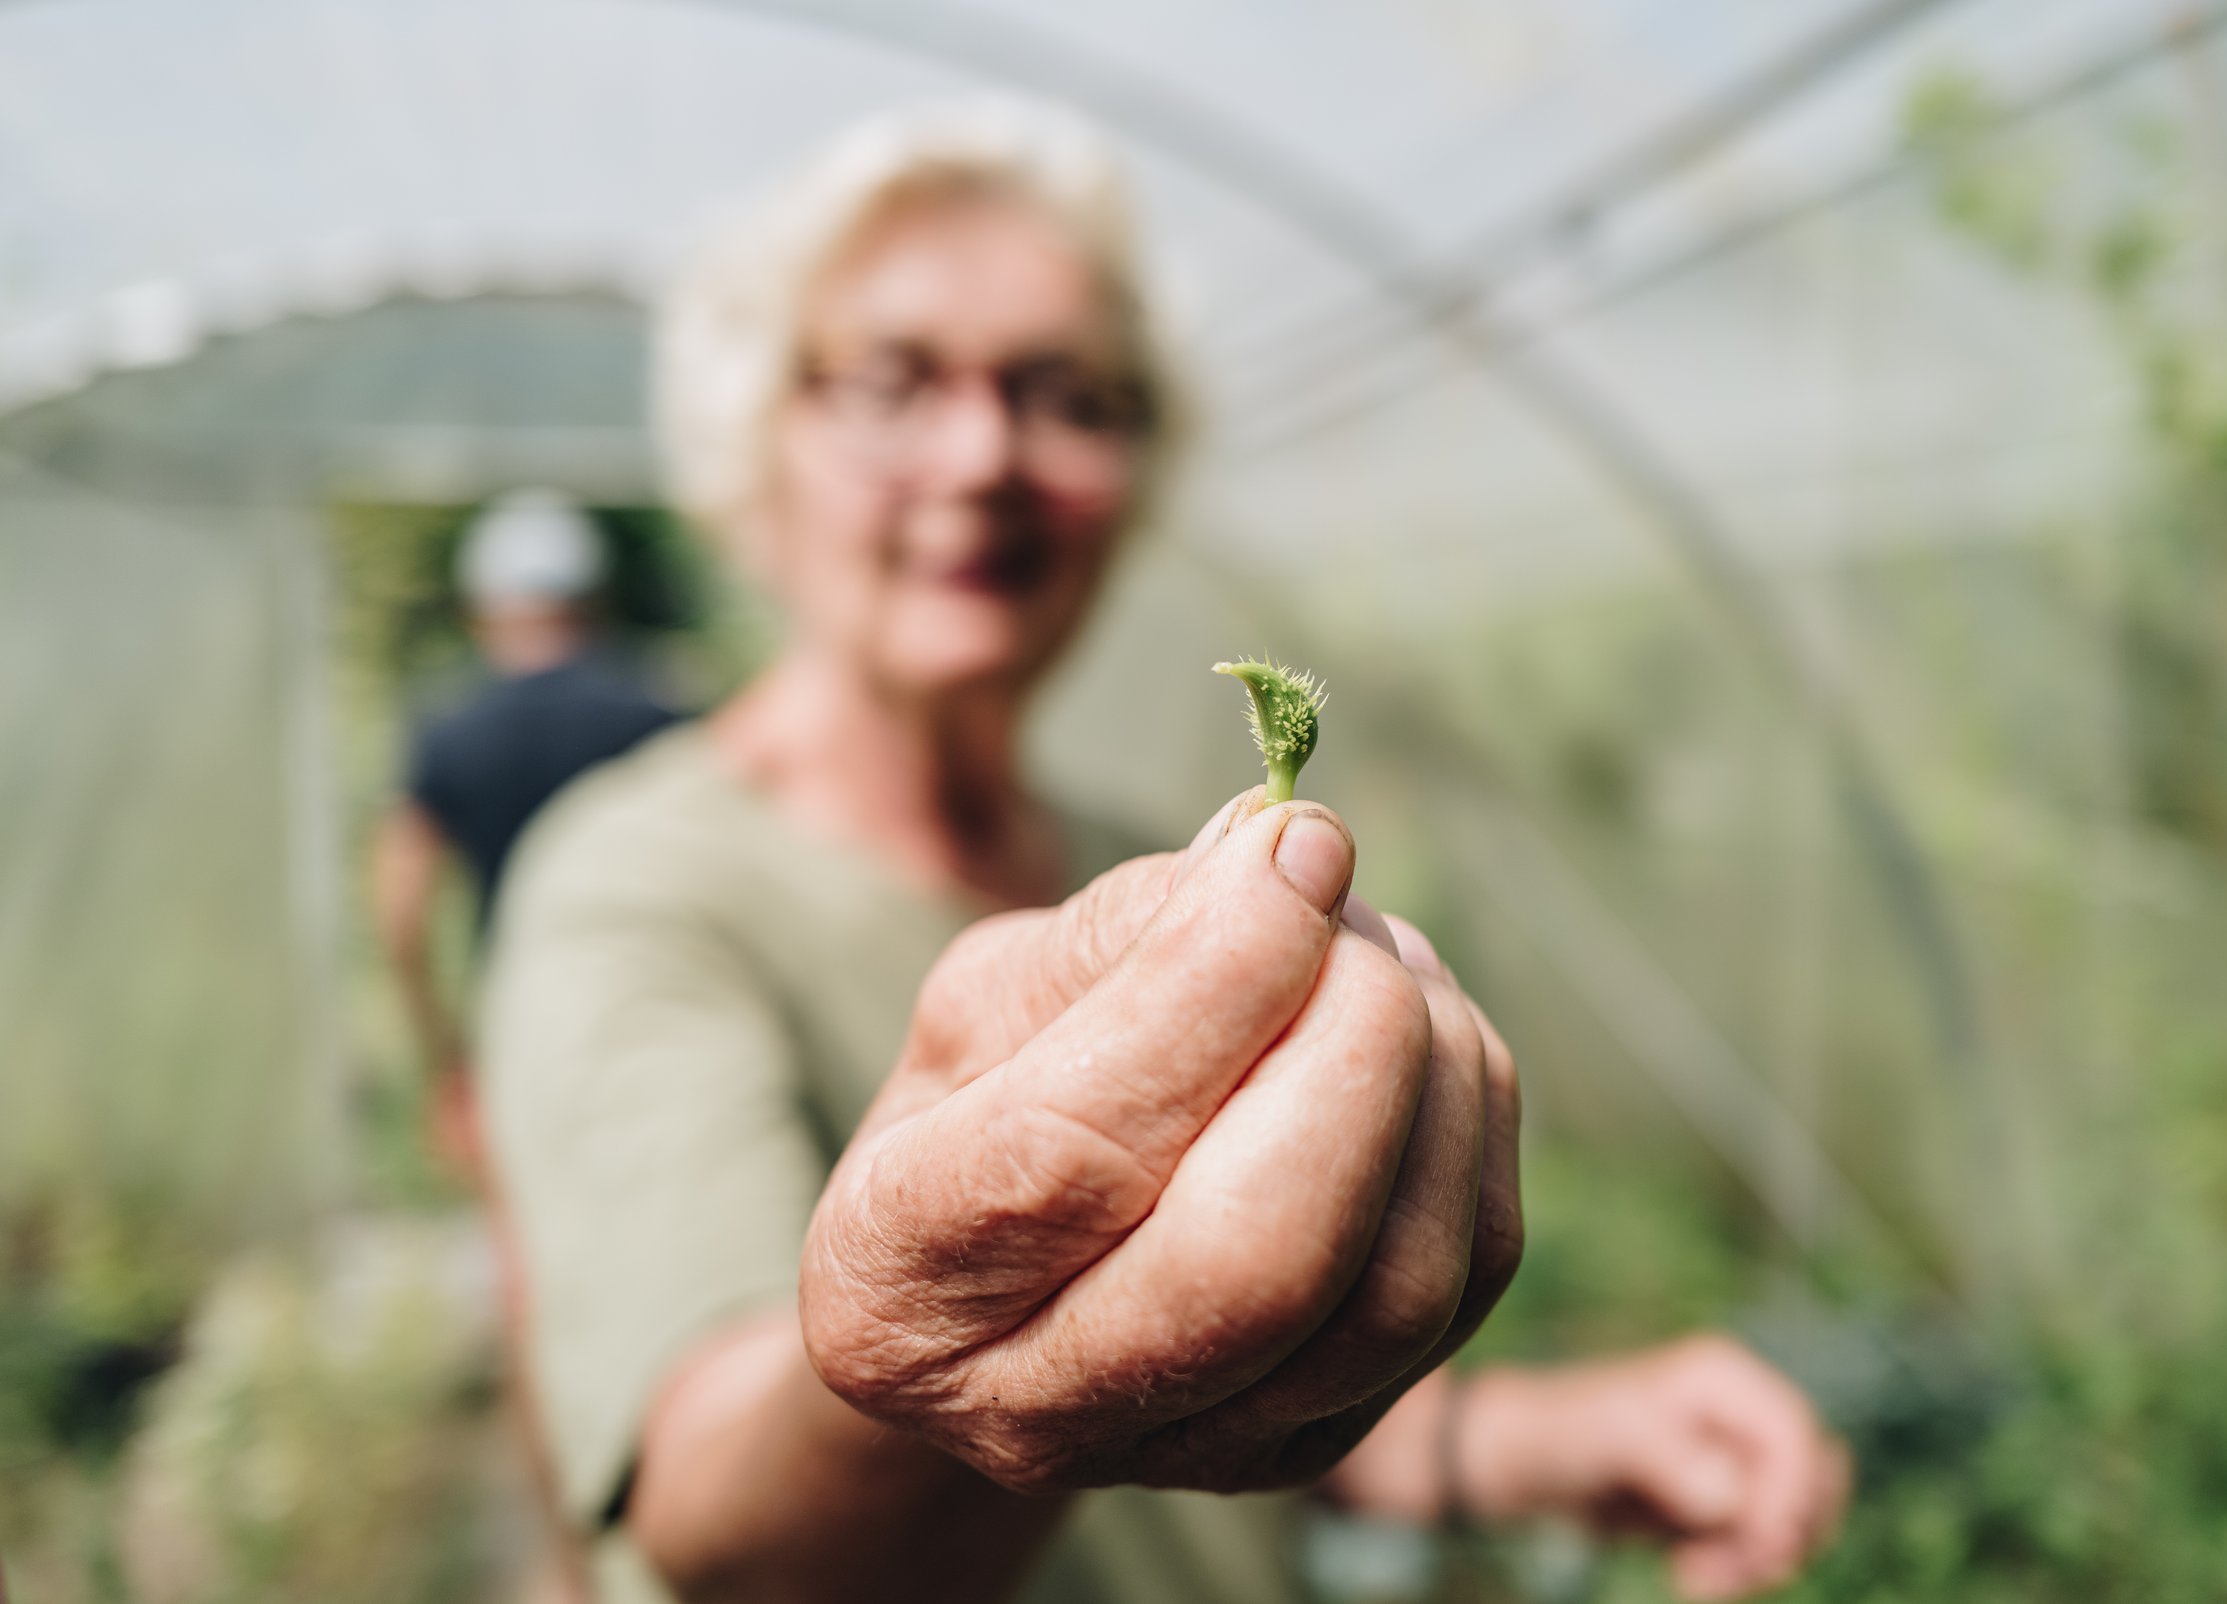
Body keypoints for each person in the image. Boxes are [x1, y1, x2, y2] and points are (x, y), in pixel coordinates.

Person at [479, 98, 1851, 1604]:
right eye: (892, 381)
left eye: (1068, 394)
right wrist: (923, 1346)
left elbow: (1206, 1397)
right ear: (760, 442)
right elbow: (709, 1515)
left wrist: (1540, 1433)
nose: (985, 450)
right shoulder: (636, 886)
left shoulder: (1151, 866)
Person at [372, 490, 680, 1176]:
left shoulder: (447, 732)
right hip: (646, 1009)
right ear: (592, 601)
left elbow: (400, 910)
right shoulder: (656, 718)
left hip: (514, 1016)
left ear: (482, 610)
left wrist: (444, 1059)